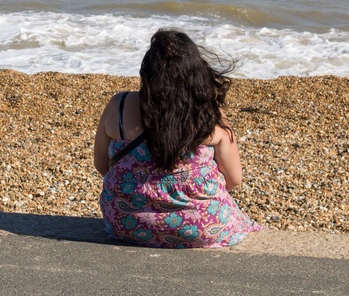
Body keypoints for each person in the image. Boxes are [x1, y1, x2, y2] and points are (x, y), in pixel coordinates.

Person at [93, 29, 262, 248]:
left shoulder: (120, 105)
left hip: (125, 222)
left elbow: (101, 165)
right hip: (202, 226)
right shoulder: (209, 116)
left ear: (147, 71)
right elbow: (234, 179)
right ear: (195, 73)